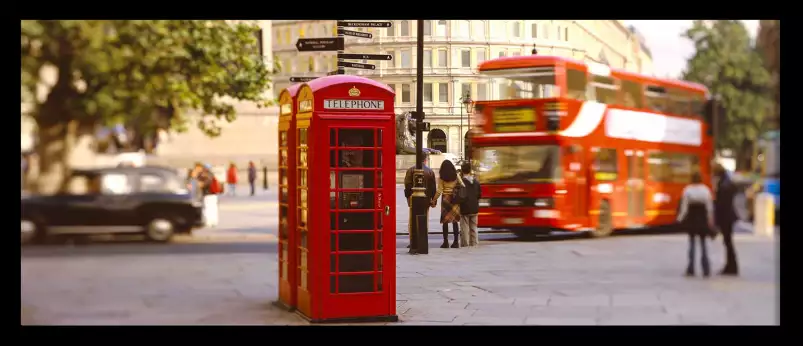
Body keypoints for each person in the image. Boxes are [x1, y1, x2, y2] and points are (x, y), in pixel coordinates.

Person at [677, 172, 715, 277]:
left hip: (692, 218)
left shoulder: (688, 190)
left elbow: (684, 207)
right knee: (703, 244)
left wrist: (680, 219)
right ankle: (706, 269)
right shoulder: (705, 190)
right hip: (702, 218)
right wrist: (710, 220)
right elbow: (709, 207)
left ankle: (691, 268)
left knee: (692, 244)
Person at [403, 163, 437, 253]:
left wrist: (408, 197)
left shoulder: (411, 169)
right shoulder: (430, 171)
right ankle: (423, 240)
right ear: (425, 159)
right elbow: (433, 187)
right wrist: (433, 200)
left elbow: (407, 185)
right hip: (426, 199)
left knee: (412, 220)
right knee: (425, 220)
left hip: (413, 199)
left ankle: (412, 240)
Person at [714, 164, 740, 276]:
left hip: (725, 217)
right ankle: (731, 265)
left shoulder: (723, 185)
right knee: (728, 242)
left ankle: (731, 266)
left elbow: (721, 203)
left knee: (728, 242)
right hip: (728, 216)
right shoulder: (727, 182)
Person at [432, 160, 465, 249]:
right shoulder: (456, 175)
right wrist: (455, 189)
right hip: (455, 199)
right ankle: (455, 242)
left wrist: (433, 200)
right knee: (455, 222)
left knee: (445, 221)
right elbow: (463, 185)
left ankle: (445, 242)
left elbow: (439, 191)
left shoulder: (442, 178)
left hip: (446, 199)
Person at [459, 162, 481, 248]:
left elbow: (460, 196)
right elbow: (479, 195)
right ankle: (474, 243)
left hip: (465, 207)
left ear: (462, 170)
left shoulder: (461, 182)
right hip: (474, 207)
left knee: (464, 228)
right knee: (474, 227)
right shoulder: (476, 181)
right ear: (470, 170)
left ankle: (465, 244)